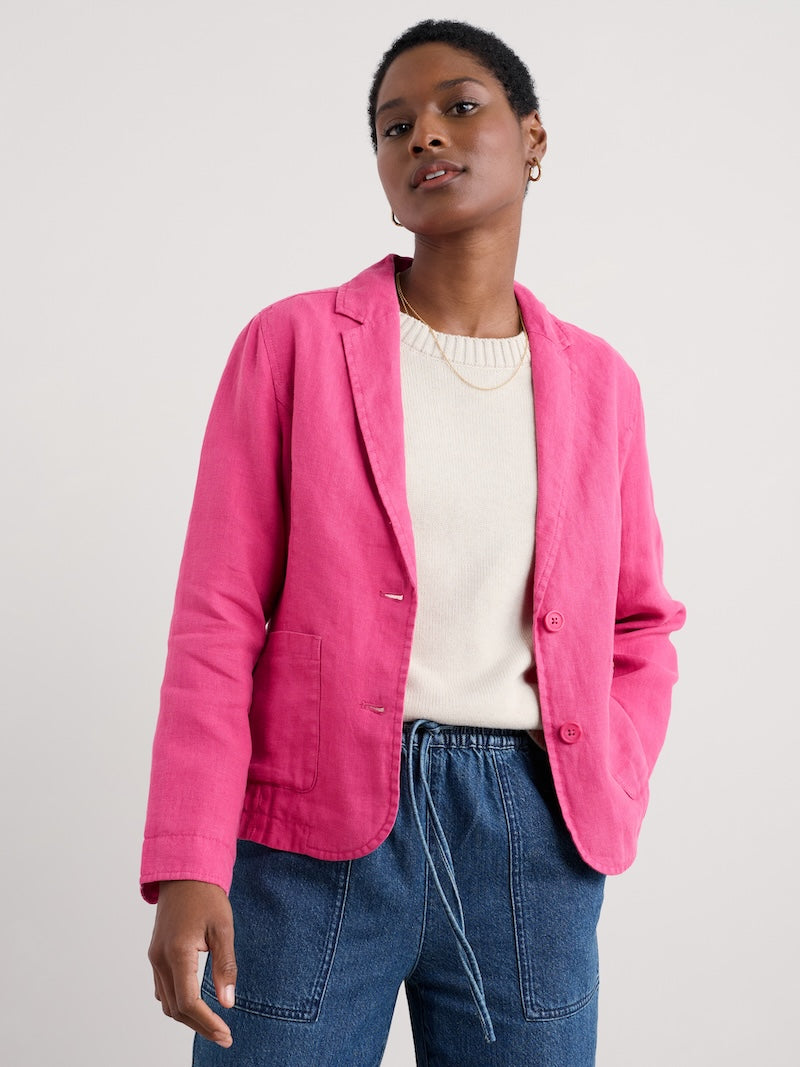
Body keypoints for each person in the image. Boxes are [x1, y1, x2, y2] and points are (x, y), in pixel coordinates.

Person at [143, 18, 685, 1066]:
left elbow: (637, 620)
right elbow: (217, 612)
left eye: (457, 106)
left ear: (531, 138)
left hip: (531, 835)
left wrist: (607, 773)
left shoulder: (600, 385)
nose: (424, 136)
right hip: (306, 832)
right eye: (395, 126)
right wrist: (187, 858)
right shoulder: (292, 343)